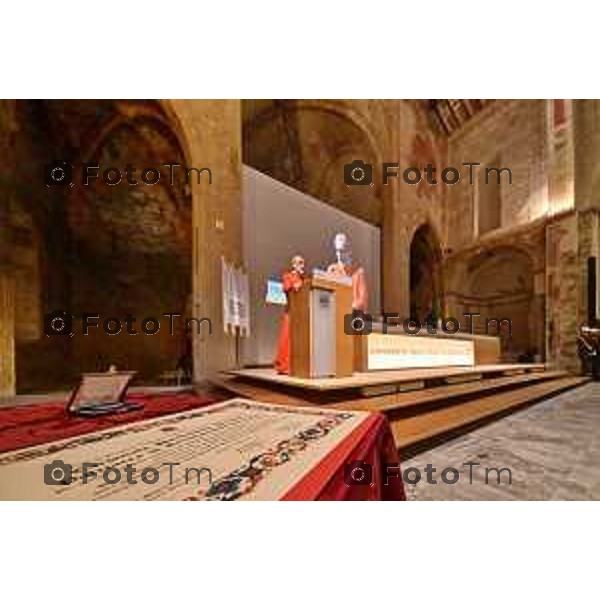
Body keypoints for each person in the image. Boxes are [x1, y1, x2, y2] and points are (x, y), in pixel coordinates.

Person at [274, 255, 306, 374]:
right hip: (291, 312)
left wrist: (302, 281)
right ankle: (284, 366)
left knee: (300, 340)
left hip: (302, 314)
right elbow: (286, 288)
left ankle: (299, 364)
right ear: (293, 264)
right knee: (287, 338)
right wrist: (294, 285)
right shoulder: (288, 275)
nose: (301, 265)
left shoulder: (304, 279)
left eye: (302, 263)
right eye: (299, 263)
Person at [326, 232, 368, 312]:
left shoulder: (358, 272)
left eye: (343, 251)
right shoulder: (332, 270)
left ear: (349, 251)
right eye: (338, 251)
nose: (340, 254)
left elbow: (362, 300)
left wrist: (347, 307)